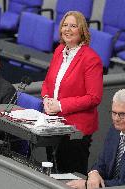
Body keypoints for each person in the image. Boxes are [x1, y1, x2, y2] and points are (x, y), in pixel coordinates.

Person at [41, 11, 103, 175]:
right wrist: (46, 98)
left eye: (73, 26)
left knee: (69, 175)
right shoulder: (59, 50)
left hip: (76, 130)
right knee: (52, 173)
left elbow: (94, 97)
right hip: (53, 124)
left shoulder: (91, 59)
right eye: (65, 25)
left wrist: (60, 105)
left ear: (82, 31)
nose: (68, 29)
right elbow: (48, 82)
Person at [67, 89, 125, 188]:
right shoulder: (114, 131)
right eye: (114, 113)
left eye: (122, 114)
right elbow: (102, 162)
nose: (116, 119)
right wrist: (94, 173)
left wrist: (88, 185)